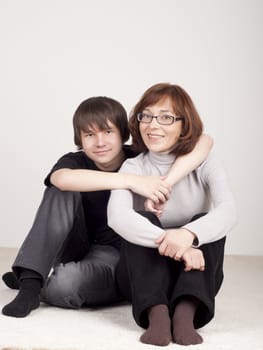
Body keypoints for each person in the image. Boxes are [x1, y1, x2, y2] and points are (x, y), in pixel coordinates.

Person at [2, 95, 213, 318]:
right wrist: (130, 181)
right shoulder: (76, 162)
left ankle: (38, 274)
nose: (100, 142)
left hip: (121, 253)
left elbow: (205, 141)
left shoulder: (140, 158)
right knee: (59, 189)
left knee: (64, 285)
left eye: (108, 132)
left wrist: (166, 182)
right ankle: (31, 283)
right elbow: (61, 179)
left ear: (123, 134)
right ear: (80, 139)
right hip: (76, 245)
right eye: (90, 135)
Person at [107, 83, 237, 346]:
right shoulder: (133, 165)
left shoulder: (205, 162)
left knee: (204, 222)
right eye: (147, 115)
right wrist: (176, 244)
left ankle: (185, 315)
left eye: (166, 117)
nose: (153, 125)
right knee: (141, 219)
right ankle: (157, 316)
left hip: (193, 275)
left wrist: (188, 236)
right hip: (140, 279)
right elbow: (116, 217)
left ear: (184, 124)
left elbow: (229, 210)